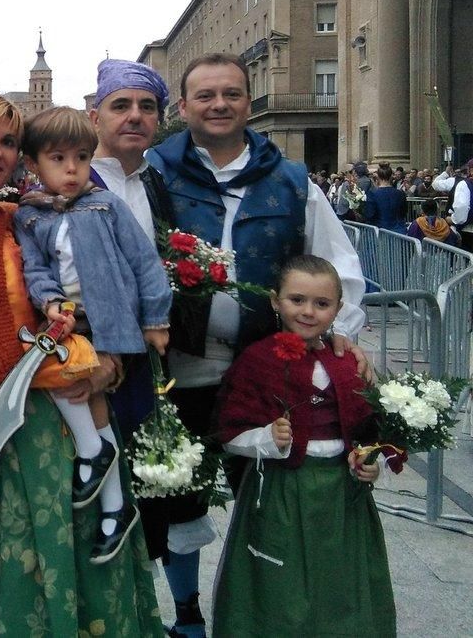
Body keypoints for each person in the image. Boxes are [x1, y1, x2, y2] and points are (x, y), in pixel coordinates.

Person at [0, 93, 163, 637]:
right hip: (2, 427)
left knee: (91, 559)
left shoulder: (28, 217)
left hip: (75, 406)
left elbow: (106, 288)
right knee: (20, 570)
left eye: (6, 141)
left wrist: (108, 365)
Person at [146, 52, 367, 638]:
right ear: (184, 106)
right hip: (180, 366)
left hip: (269, 368)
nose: (219, 105)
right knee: (178, 489)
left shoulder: (292, 180)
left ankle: (269, 611)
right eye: (205, 95)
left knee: (270, 492)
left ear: (249, 100)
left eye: (231, 94)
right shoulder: (153, 173)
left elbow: (335, 265)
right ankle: (187, 614)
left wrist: (341, 332)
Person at [14, 106, 172, 562]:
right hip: (67, 321)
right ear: (34, 165)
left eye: (81, 158)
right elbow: (35, 268)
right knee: (69, 382)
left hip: (110, 319)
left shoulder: (105, 205)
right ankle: (114, 505)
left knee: (92, 390)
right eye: (58, 159)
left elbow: (145, 261)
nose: (71, 169)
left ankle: (98, 465)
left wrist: (156, 319)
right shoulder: (30, 216)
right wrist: (48, 301)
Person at [212, 255, 394, 637]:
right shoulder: (258, 360)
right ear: (276, 301)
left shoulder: (347, 362)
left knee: (341, 579)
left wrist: (369, 462)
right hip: (283, 491)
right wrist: (266, 438)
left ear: (338, 309)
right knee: (281, 581)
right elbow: (230, 432)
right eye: (297, 300)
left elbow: (367, 429)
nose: (308, 312)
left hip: (343, 496)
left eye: (322, 304)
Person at [362, 163, 408, 232]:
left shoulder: (372, 194)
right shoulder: (400, 193)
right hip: (399, 232)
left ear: (378, 177)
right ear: (391, 176)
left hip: (380, 232)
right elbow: (403, 212)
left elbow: (369, 214)